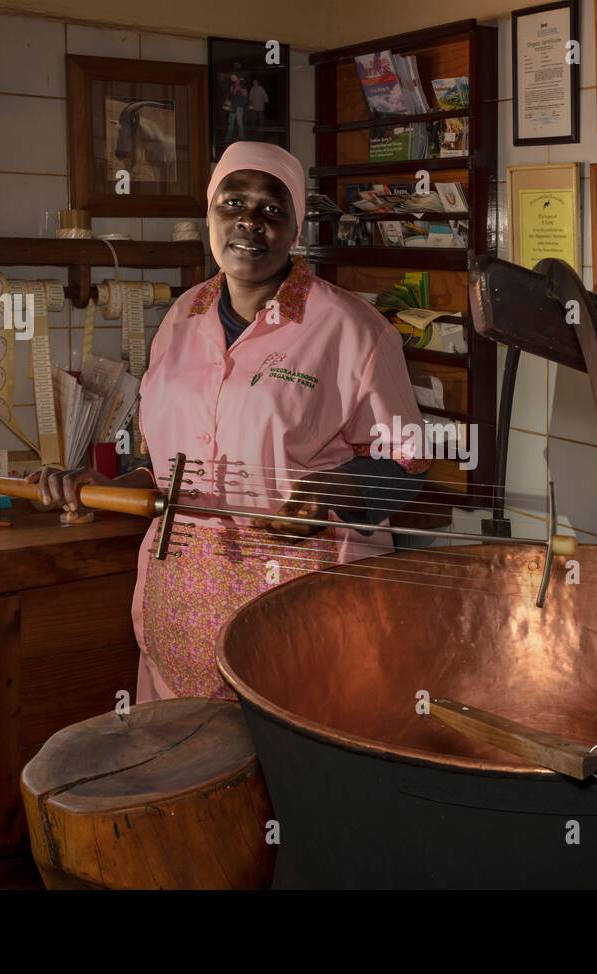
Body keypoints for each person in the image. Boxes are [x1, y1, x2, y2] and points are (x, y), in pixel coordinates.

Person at [29, 142, 429, 702]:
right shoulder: (181, 317)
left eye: (272, 209)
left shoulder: (350, 328)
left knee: (285, 776)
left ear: (295, 228)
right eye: (232, 202)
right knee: (184, 773)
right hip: (182, 610)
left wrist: (329, 490)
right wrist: (105, 488)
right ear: (209, 216)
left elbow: (407, 465)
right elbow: (165, 466)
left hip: (298, 612)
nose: (249, 221)